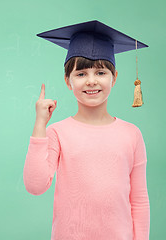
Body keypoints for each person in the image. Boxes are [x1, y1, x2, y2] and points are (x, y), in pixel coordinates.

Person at [23, 20, 150, 240]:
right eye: (80, 74)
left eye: (101, 72)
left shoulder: (131, 134)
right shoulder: (57, 133)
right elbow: (35, 186)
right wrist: (40, 125)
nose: (91, 81)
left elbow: (138, 200)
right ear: (67, 81)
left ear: (114, 77)